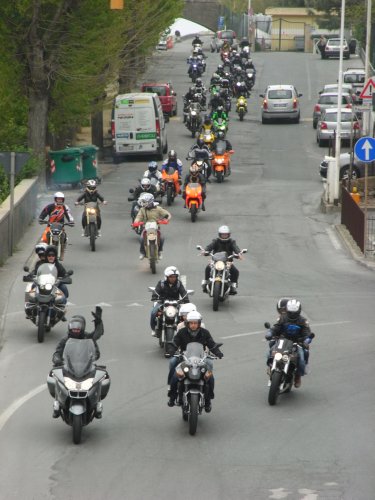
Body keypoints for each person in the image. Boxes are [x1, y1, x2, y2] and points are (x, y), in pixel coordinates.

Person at [51, 307, 104, 417]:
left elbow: (97, 334)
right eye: (74, 327)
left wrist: (99, 322)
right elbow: (57, 352)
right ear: (70, 326)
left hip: (86, 367)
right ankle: (58, 404)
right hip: (69, 368)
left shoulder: (87, 337)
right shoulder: (65, 339)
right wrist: (57, 359)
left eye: (78, 327)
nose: (75, 329)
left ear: (82, 327)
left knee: (102, 377)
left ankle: (96, 404)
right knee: (54, 376)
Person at [167, 311, 223, 411]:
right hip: (184, 359)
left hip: (201, 359)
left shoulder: (205, 333)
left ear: (199, 323)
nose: (193, 325)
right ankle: (172, 396)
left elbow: (211, 344)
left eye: (195, 323)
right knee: (173, 365)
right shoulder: (182, 332)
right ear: (187, 323)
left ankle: (208, 400)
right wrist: (171, 350)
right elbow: (175, 342)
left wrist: (218, 352)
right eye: (191, 323)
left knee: (209, 374)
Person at [265, 299, 313, 388]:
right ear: (287, 310)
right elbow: (276, 327)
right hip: (283, 340)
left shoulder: (303, 321)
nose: (292, 314)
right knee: (271, 351)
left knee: (302, 359)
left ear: (298, 311)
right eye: (290, 312)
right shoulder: (283, 318)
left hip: (297, 342)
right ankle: (271, 365)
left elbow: (307, 333)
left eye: (294, 312)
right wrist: (270, 332)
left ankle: (298, 376)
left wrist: (306, 340)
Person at [201, 226, 242, 294]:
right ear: (220, 234)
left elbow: (236, 248)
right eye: (223, 234)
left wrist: (239, 253)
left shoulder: (231, 242)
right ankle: (206, 283)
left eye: (226, 234)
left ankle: (233, 286)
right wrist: (205, 251)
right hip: (216, 261)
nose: (224, 236)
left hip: (228, 262)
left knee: (235, 271)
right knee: (208, 268)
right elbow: (210, 246)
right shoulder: (216, 241)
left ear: (228, 235)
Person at [150, 266, 189, 336]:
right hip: (162, 302)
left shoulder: (178, 284)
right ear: (167, 277)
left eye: (174, 276)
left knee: (184, 315)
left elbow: (183, 292)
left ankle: (184, 330)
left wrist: (186, 298)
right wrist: (154, 296)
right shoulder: (161, 283)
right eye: (171, 277)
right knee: (153, 313)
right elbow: (156, 291)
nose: (173, 278)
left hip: (175, 303)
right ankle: (153, 329)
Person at [133, 193, 171, 260]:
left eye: (145, 202)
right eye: (143, 202)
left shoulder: (158, 208)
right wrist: (136, 222)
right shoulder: (142, 209)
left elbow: (167, 214)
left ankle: (159, 252)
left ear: (150, 201)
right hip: (146, 228)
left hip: (156, 228)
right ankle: (142, 253)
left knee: (162, 238)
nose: (143, 203)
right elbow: (138, 217)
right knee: (141, 238)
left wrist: (166, 219)